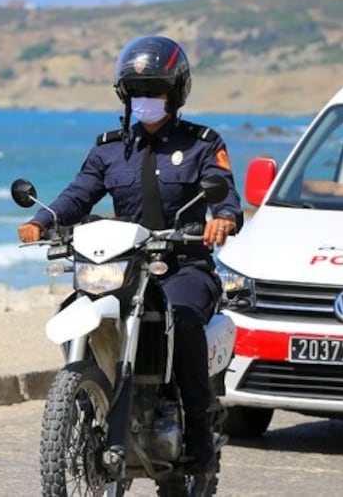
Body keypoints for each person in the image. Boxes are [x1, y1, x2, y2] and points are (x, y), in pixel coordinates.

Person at [16, 35, 242, 471]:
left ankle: (198, 432)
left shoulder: (203, 144)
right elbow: (77, 195)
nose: (145, 100)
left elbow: (224, 192)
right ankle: (86, 401)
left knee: (183, 317)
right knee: (72, 305)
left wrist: (224, 219)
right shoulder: (109, 148)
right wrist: (42, 221)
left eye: (153, 91)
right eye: (137, 92)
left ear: (174, 94)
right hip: (124, 268)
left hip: (183, 267)